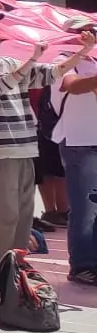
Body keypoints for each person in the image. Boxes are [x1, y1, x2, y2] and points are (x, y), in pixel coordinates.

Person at [0, 33, 49, 281]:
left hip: (25, 145)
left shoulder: (11, 62)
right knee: (2, 215)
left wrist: (82, 51)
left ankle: (14, 266)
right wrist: (33, 57)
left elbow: (51, 74)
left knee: (23, 215)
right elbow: (1, 86)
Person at [48, 24, 97, 286]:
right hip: (79, 142)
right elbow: (72, 86)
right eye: (82, 30)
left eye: (91, 29)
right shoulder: (61, 60)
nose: (88, 33)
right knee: (84, 208)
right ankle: (82, 266)